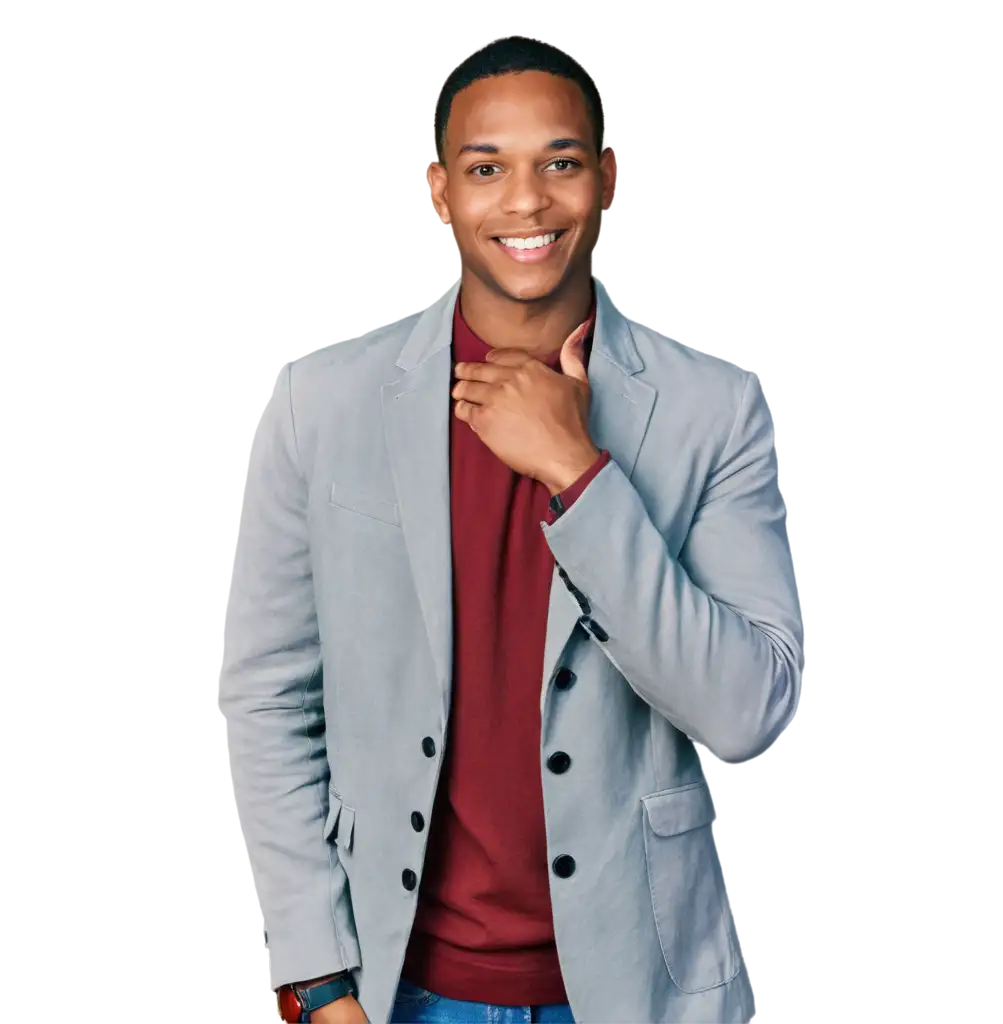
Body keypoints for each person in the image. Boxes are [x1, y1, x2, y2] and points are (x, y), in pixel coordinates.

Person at [216, 34, 803, 1024]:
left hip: (639, 994)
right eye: (488, 169)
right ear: (439, 191)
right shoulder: (322, 400)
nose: (526, 202)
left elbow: (747, 710)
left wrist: (579, 473)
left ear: (604, 177)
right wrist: (314, 980)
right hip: (397, 989)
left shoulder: (716, 410)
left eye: (559, 164)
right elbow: (267, 699)